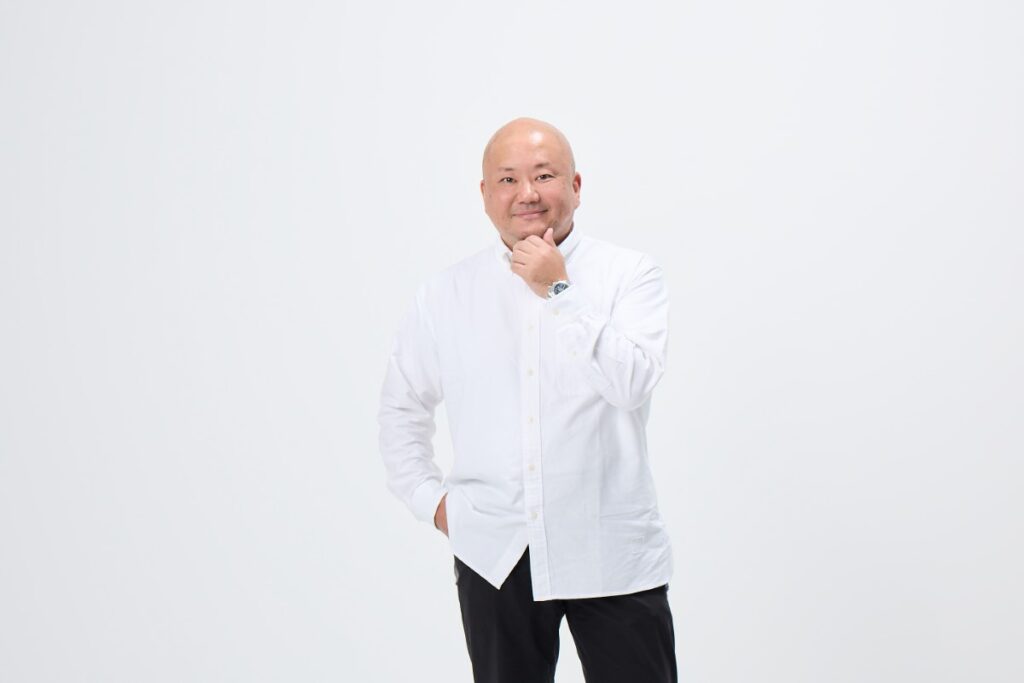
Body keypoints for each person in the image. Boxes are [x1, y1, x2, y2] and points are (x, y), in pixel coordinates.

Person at [378, 117, 678, 682]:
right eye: (508, 179)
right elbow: (402, 409)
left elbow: (632, 383)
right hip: (495, 550)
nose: (527, 194)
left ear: (576, 186)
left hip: (609, 549)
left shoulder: (630, 274)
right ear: (485, 194)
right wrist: (433, 504)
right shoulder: (444, 294)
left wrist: (559, 290)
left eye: (544, 176)